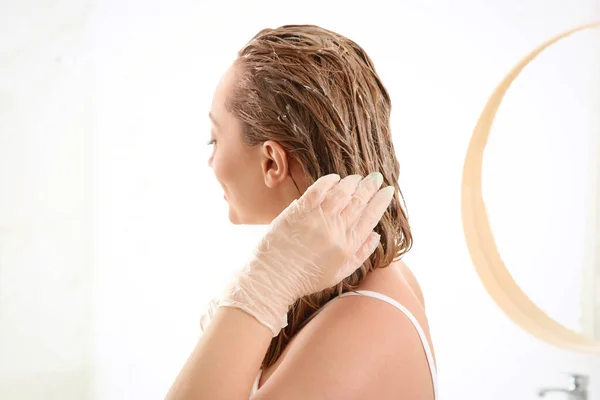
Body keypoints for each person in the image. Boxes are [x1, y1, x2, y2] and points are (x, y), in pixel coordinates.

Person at [166, 24, 437, 400]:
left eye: (215, 138)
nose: (211, 160)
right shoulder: (340, 281)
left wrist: (263, 285)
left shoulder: (360, 325)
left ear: (272, 163)